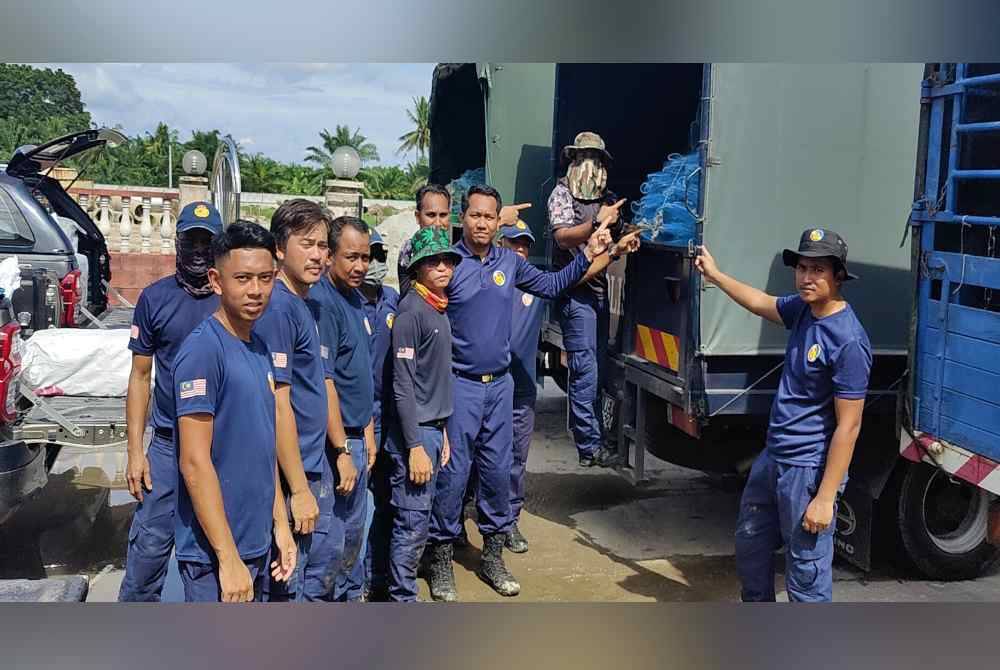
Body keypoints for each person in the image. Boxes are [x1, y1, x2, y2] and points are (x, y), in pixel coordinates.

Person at [425, 184, 613, 601]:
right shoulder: (445, 263)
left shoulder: (510, 262)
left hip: (502, 386)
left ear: (497, 222)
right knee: (454, 475)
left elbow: (552, 284)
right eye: (475, 215)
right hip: (461, 387)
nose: (482, 223)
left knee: (496, 474)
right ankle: (440, 557)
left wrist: (589, 251)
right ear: (464, 216)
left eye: (489, 217)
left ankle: (492, 555)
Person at [694, 228, 871, 603]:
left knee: (805, 575)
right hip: (773, 458)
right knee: (751, 548)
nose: (807, 277)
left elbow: (849, 426)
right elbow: (762, 302)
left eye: (818, 270)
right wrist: (716, 275)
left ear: (838, 275)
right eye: (802, 268)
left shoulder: (848, 340)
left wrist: (824, 498)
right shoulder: (804, 310)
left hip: (807, 470)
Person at [497, 220, 642, 554]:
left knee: (516, 458)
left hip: (520, 388)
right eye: (512, 243)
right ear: (500, 245)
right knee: (482, 458)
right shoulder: (490, 282)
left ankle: (509, 523)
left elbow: (575, 276)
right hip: (485, 386)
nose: (519, 250)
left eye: (524, 245)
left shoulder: (535, 286)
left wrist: (615, 250)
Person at [172, 221, 296, 602]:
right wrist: (227, 558)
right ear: (216, 280)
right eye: (242, 278)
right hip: (215, 555)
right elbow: (194, 462)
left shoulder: (258, 348)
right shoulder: (203, 352)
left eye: (264, 278)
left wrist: (280, 524)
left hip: (255, 542)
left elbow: (263, 449)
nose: (255, 290)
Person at [119, 201, 223, 602]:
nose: (198, 249)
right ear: (177, 243)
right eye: (190, 240)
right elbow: (140, 376)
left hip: (216, 449)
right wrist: (134, 452)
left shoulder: (230, 300)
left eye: (207, 241)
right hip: (166, 445)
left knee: (206, 557)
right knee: (148, 551)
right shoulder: (154, 299)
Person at [253, 199, 338, 602]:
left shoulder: (304, 304)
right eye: (308, 244)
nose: (319, 255)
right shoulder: (279, 311)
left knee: (318, 565)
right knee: (291, 580)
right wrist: (299, 490)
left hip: (309, 460)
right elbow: (277, 405)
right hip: (291, 473)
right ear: (280, 248)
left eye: (323, 246)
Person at [385, 227, 458, 601]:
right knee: (411, 525)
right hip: (414, 437)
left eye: (448, 260)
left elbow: (433, 380)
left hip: (432, 430)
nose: (444, 267)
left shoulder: (437, 308)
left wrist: (440, 429)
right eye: (434, 262)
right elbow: (403, 384)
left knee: (421, 521)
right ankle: (402, 600)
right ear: (417, 269)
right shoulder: (412, 312)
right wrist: (415, 445)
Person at [547, 131, 628, 468]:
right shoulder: (561, 194)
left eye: (596, 158)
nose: (590, 164)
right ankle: (589, 446)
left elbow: (617, 233)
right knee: (585, 370)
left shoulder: (606, 197)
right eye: (583, 157)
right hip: (575, 292)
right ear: (573, 160)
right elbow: (563, 237)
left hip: (598, 292)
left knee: (600, 368)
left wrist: (624, 232)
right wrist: (596, 222)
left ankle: (601, 437)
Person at [310, 215, 377, 601]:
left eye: (365, 257)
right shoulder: (324, 302)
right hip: (336, 445)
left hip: (357, 436)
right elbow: (327, 380)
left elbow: (358, 375)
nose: (360, 266)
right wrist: (340, 451)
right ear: (331, 255)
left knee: (355, 535)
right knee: (330, 544)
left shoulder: (355, 298)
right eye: (351, 257)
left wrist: (366, 431)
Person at [357, 228, 399, 601]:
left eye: (379, 255)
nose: (373, 264)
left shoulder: (394, 302)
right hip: (355, 423)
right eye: (367, 255)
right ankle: (353, 582)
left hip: (390, 420)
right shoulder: (345, 305)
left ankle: (378, 577)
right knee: (354, 508)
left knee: (386, 503)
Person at [398, 183, 532, 296]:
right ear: (417, 216)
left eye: (443, 215)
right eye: (431, 215)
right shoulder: (410, 251)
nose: (438, 223)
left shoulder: (451, 249)